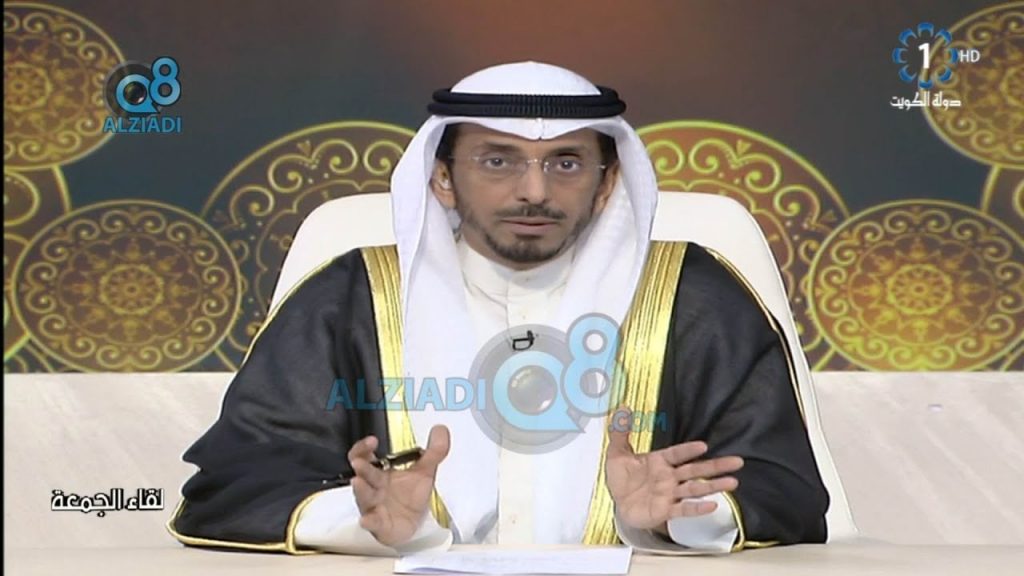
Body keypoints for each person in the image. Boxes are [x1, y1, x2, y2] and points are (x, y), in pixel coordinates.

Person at [167, 61, 829, 556]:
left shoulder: (693, 295)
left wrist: (674, 517)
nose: (533, 190)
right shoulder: (351, 297)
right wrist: (364, 519)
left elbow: (784, 486)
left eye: (566, 163)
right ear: (442, 177)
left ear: (607, 185)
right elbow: (234, 481)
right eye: (498, 161)